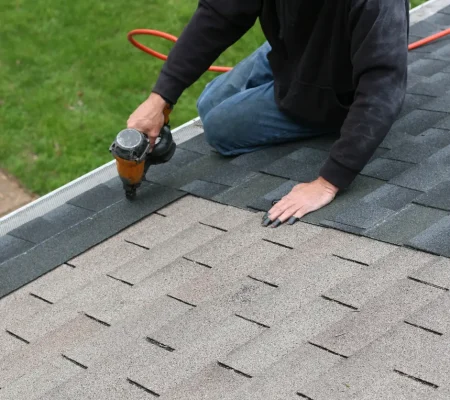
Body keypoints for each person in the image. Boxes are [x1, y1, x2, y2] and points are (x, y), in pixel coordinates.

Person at [127, 0, 409, 228]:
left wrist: (328, 182)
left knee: (218, 129)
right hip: (295, 51)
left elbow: (382, 88)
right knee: (209, 102)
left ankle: (328, 116)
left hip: (337, 88)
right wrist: (160, 98)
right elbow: (218, 13)